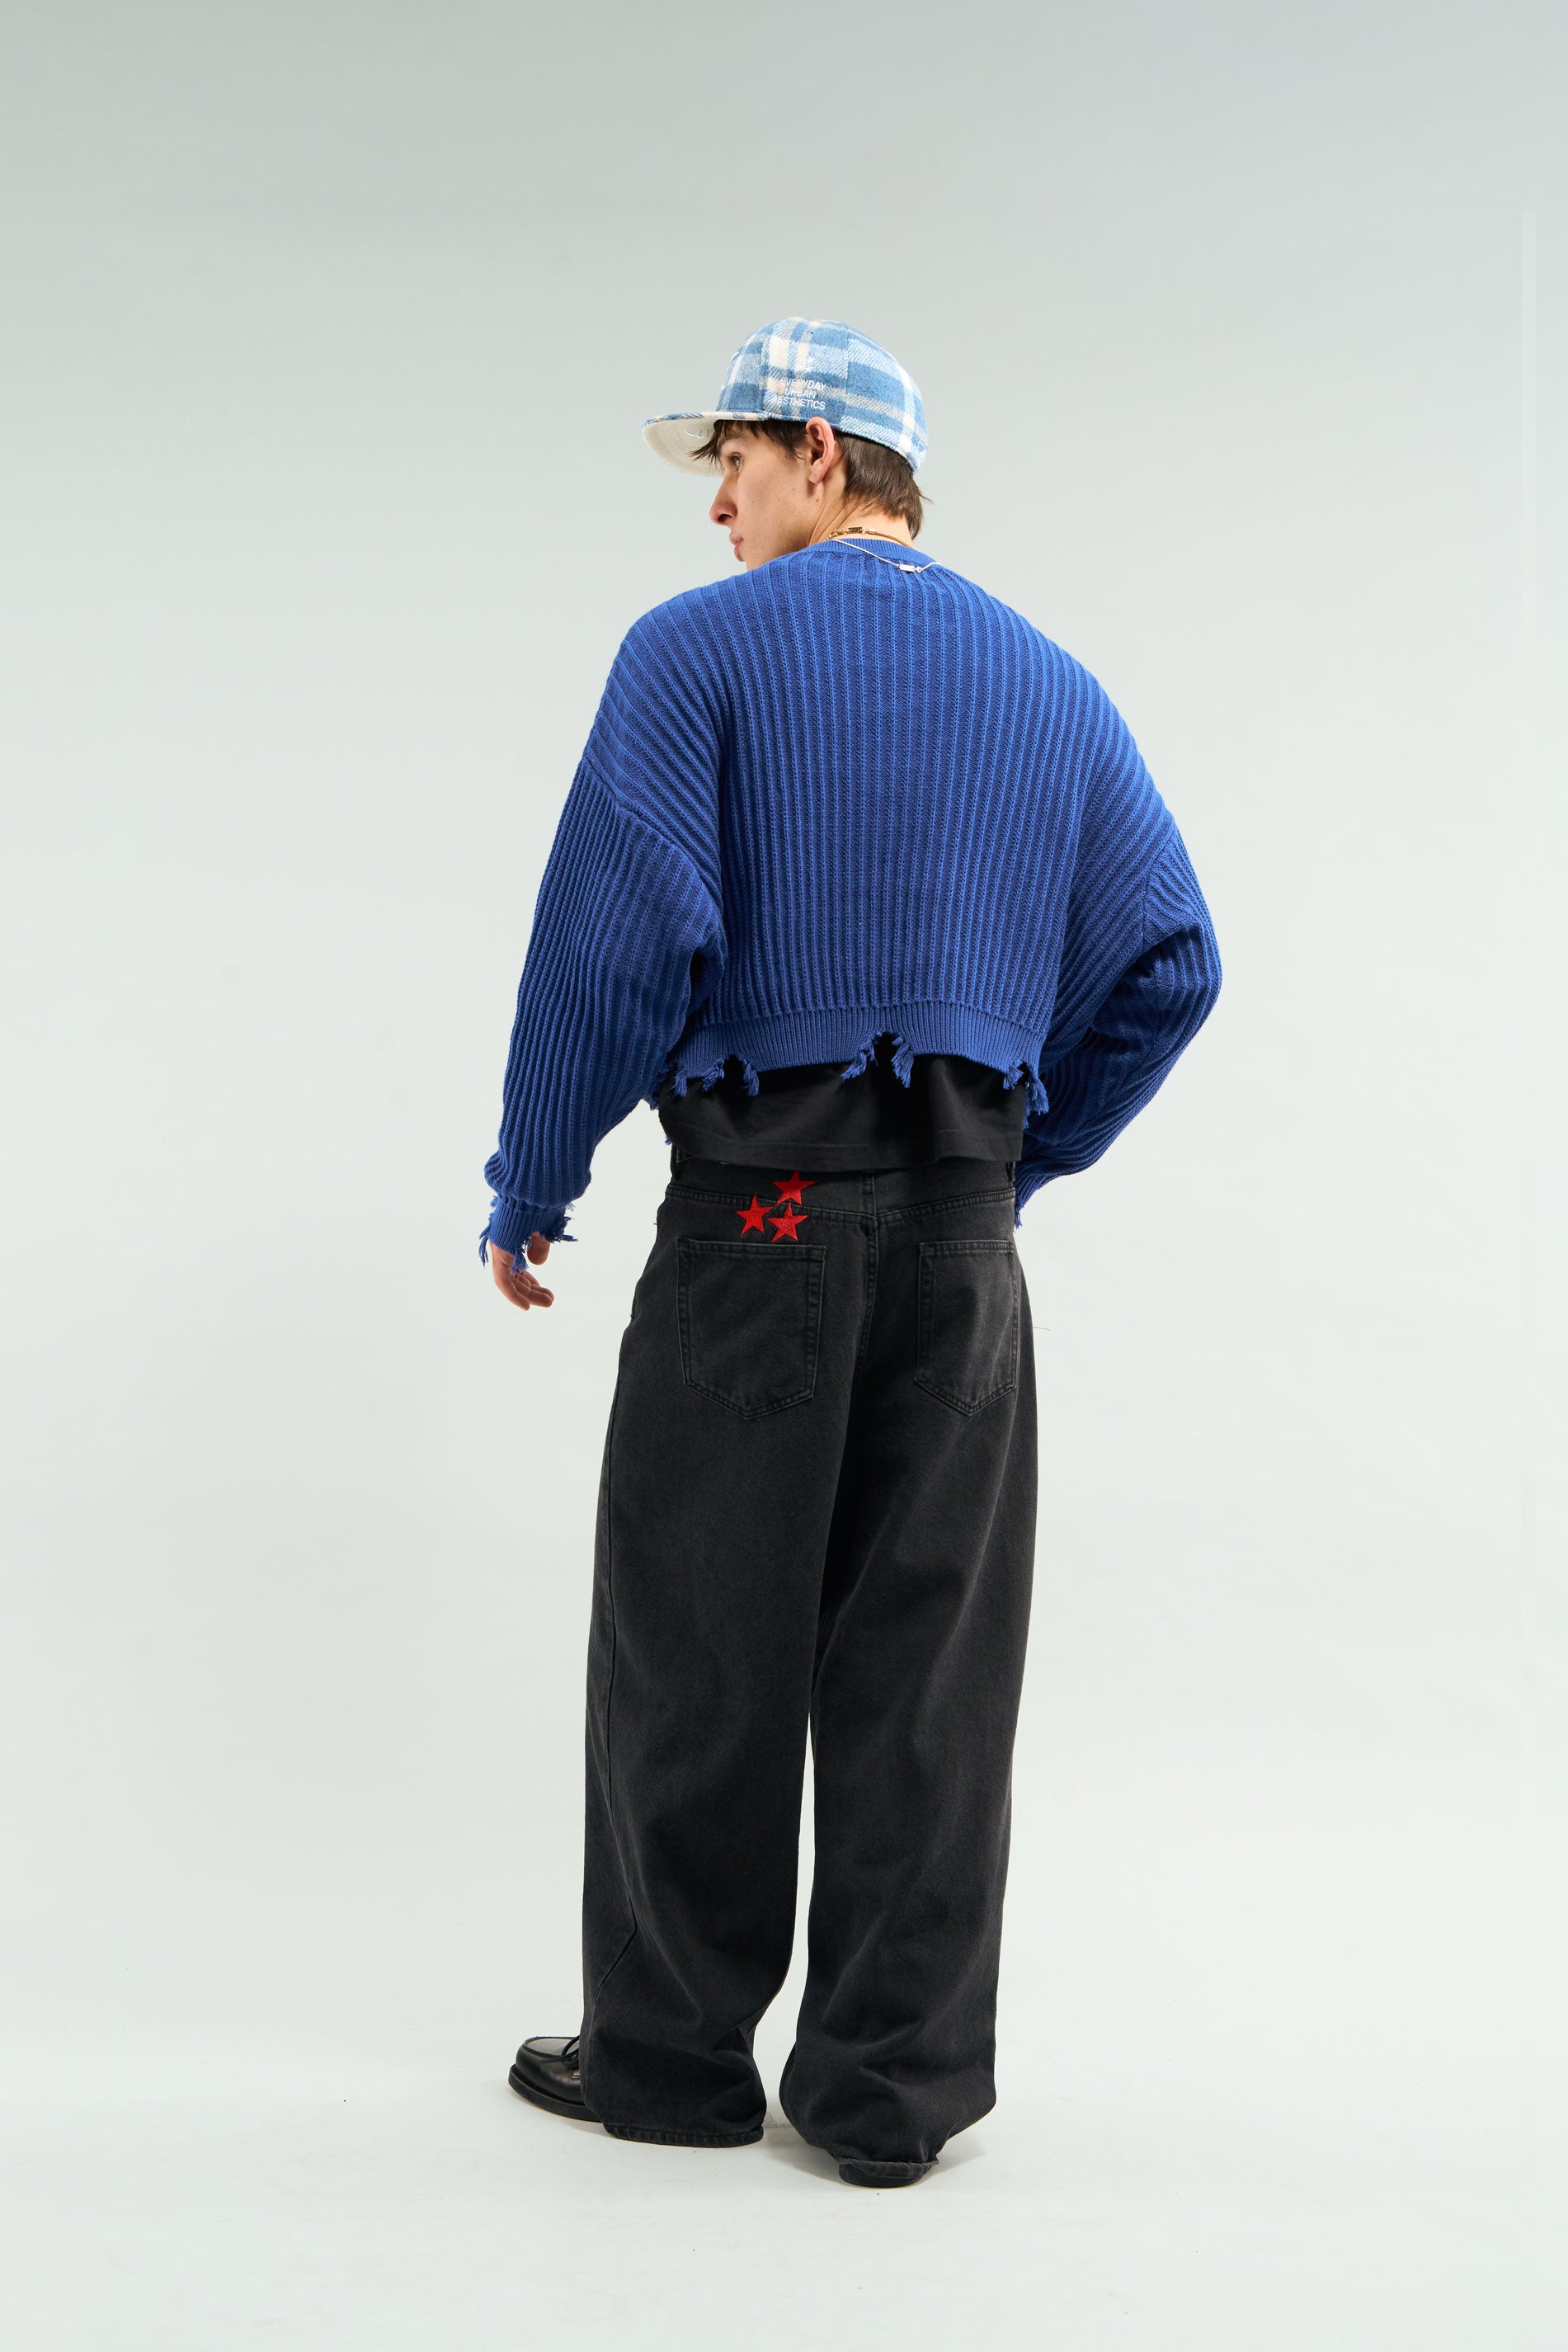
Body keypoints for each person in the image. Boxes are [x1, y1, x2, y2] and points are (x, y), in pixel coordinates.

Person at [480, 318, 1222, 2189]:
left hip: (757, 1221)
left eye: (729, 462)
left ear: (820, 455)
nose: (713, 505)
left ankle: (670, 2066)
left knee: (696, 1644)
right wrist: (1010, 1164)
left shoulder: (695, 653)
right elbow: (1172, 960)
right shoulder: (1052, 684)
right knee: (930, 1672)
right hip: (962, 1252)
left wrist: (532, 1173)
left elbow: (612, 944)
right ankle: (889, 2097)